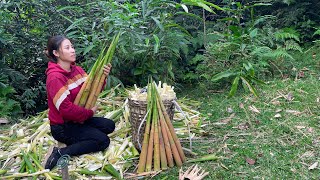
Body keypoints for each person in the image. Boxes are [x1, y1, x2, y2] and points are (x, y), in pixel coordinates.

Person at [43, 35, 115, 170]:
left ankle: (84, 134)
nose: (72, 50)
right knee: (103, 141)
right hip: (63, 127)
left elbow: (93, 90)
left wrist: (103, 77)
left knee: (109, 126)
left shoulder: (77, 70)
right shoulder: (55, 77)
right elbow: (66, 110)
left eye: (72, 47)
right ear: (56, 53)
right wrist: (89, 113)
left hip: (78, 119)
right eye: (67, 48)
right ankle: (61, 152)